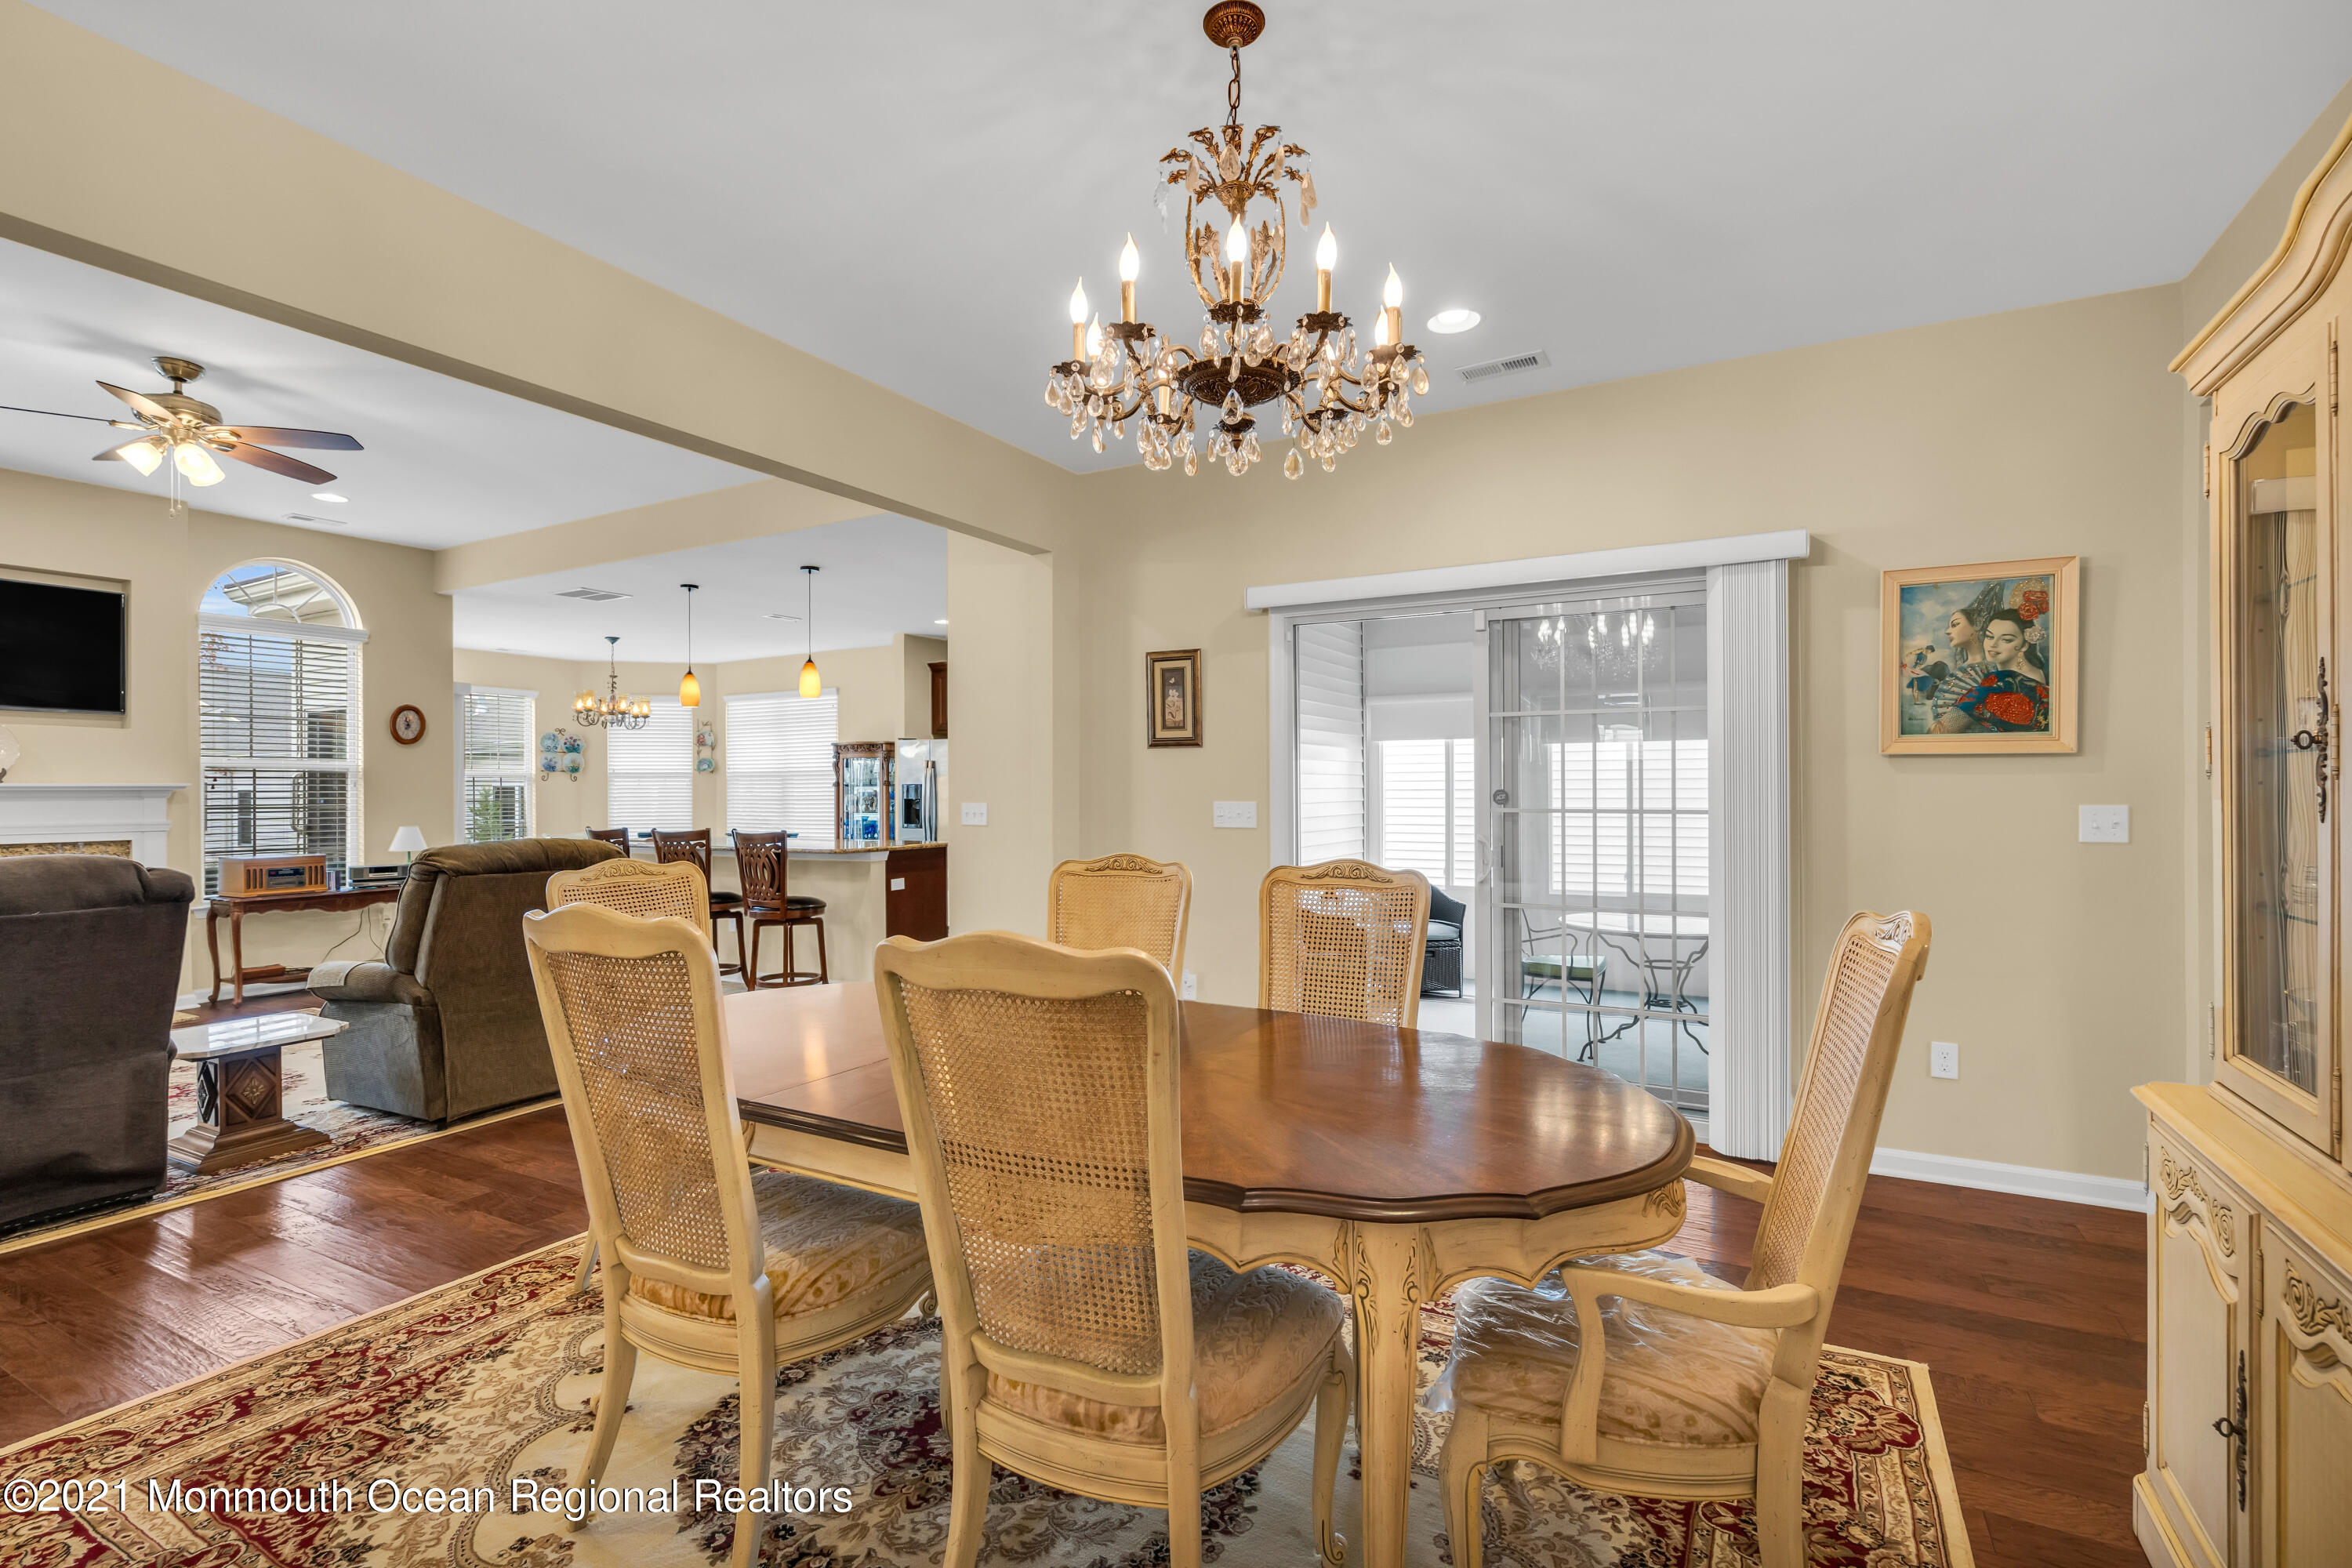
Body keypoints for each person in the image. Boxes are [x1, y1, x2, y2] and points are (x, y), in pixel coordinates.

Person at [1936, 608, 2049, 732]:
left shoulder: (2010, 684)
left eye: (2006, 640)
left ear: (2025, 645)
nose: (1993, 644)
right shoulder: (2032, 673)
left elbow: (1940, 732)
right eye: (1989, 637)